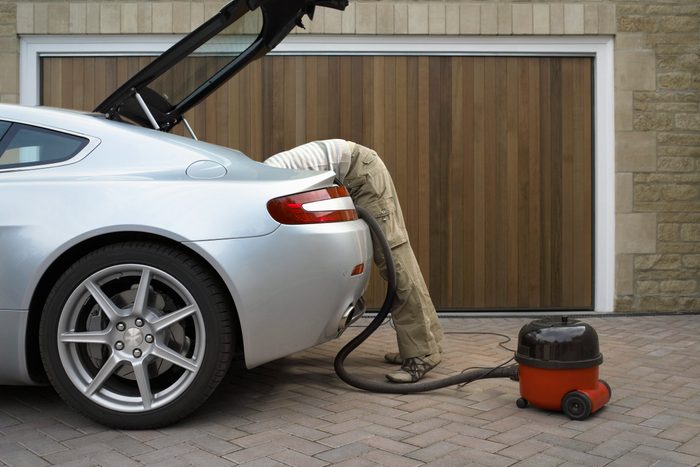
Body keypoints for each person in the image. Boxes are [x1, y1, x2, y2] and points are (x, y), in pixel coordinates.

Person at [264, 139, 444, 383]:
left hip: (361, 172)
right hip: (358, 169)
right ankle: (430, 344)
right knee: (401, 260)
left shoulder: (269, 182)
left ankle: (421, 355)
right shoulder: (266, 176)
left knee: (395, 265)